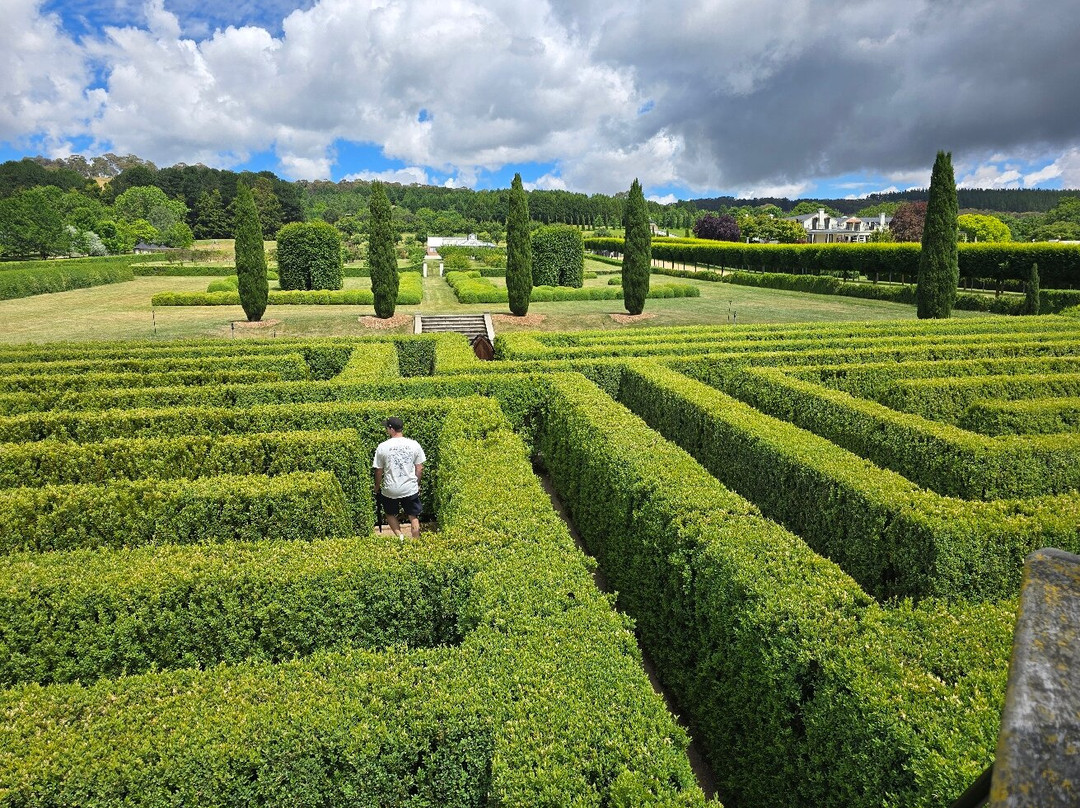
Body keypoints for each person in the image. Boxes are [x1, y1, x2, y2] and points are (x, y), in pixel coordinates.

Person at [372, 416, 426, 539]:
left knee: (390, 514)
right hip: (409, 487)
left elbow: (379, 471)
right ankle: (416, 541)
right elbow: (419, 468)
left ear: (391, 429)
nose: (386, 429)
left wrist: (377, 486)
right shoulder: (414, 444)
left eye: (387, 427)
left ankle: (400, 537)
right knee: (413, 516)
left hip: (391, 488)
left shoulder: (382, 446)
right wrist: (416, 484)